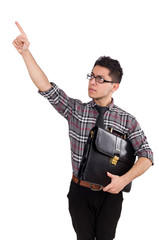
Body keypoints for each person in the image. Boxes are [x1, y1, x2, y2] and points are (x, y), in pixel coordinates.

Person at [13, 21, 153, 240]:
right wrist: (25, 53)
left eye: (100, 79)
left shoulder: (128, 120)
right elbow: (46, 87)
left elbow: (147, 155)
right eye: (91, 76)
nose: (93, 82)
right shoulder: (76, 110)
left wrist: (124, 180)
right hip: (79, 192)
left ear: (114, 86)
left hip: (111, 195)